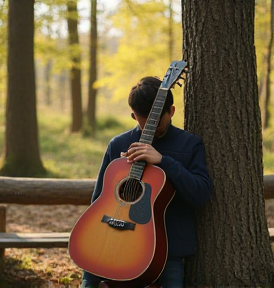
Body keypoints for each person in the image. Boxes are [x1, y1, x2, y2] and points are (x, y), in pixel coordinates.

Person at [81, 76, 211, 288]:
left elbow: (201, 194)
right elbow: (99, 198)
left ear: (172, 111)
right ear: (133, 115)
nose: (151, 126)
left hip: (169, 248)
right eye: (143, 119)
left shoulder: (190, 145)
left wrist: (163, 161)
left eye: (158, 120)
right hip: (115, 238)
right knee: (89, 277)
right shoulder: (119, 144)